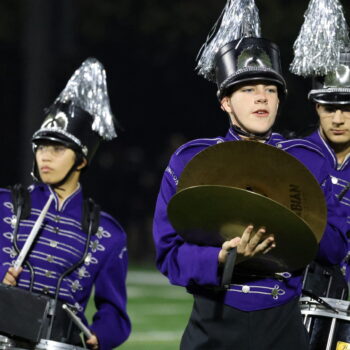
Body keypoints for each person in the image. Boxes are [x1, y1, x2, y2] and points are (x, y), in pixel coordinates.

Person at [153, 0, 348, 349]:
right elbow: (169, 254)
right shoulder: (192, 160)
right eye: (248, 89)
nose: (262, 98)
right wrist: (222, 259)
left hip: (284, 326)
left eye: (270, 90)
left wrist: (295, 217)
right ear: (225, 102)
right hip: (213, 323)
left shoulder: (308, 160)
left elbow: (334, 248)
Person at [0, 58, 130, 350]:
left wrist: (103, 335)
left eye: (57, 149)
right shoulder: (4, 205)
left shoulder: (108, 234)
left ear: (82, 160)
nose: (45, 156)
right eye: (42, 147)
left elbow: (113, 311)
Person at [290, 0, 350, 296]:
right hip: (297, 293)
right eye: (329, 108)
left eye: (348, 109)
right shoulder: (293, 155)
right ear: (316, 107)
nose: (338, 119)